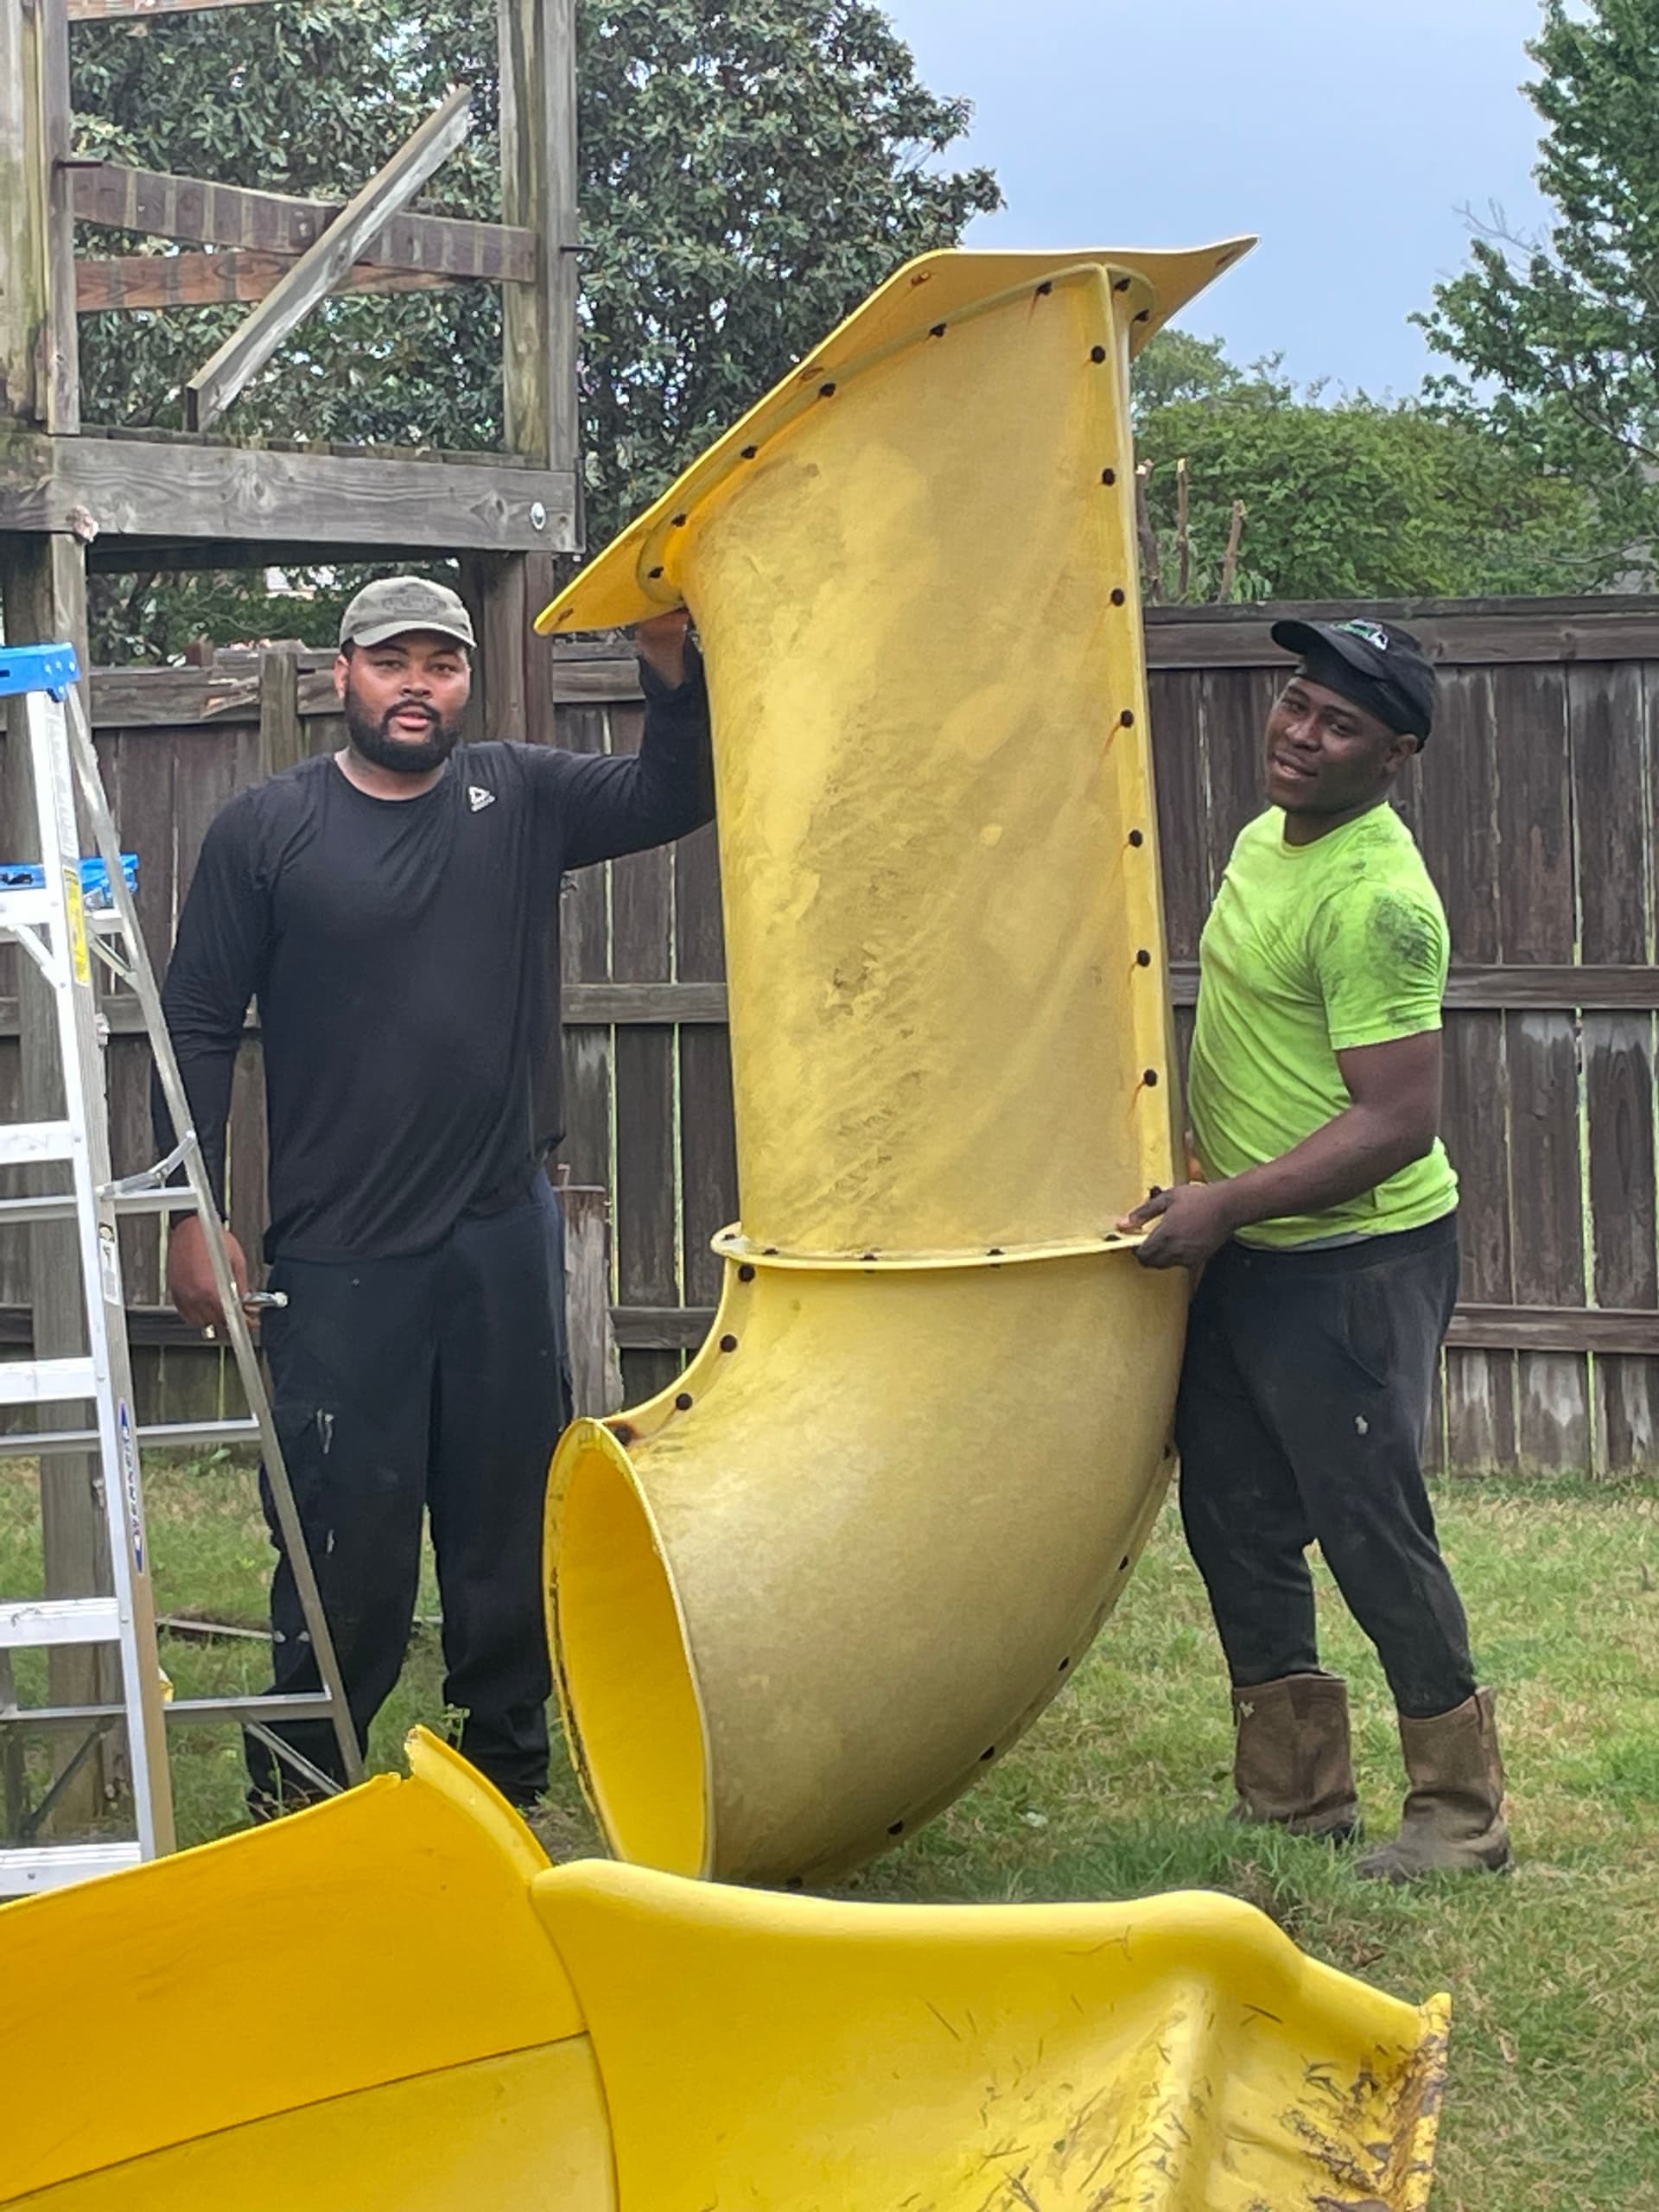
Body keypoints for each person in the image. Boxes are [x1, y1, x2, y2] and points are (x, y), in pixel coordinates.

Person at [157, 575, 712, 1815]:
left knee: (506, 1520)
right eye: (392, 662)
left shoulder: (520, 796)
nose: (418, 687)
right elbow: (196, 1020)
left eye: (442, 665)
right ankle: (302, 1791)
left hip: (498, 1231)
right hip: (340, 1247)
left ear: (468, 683)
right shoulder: (266, 830)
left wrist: (668, 658)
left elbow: (675, 794)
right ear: (342, 675)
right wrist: (191, 1210)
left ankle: (509, 1778)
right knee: (340, 1533)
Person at [1121, 616, 1510, 1881]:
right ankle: (1295, 1801)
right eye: (1298, 702)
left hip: (1356, 1259)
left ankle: (1461, 1814)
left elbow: (1398, 1123)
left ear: (1395, 755)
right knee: (1233, 1514)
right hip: (1247, 1243)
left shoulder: (1378, 900)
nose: (1300, 734)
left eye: (1340, 725)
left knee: (1368, 1526)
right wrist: (1216, 1196)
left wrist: (1228, 1205)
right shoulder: (1266, 839)